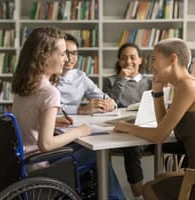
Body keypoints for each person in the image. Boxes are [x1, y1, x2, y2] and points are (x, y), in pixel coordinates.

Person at [113, 38, 195, 199]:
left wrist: (126, 126)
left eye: (154, 59)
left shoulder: (187, 87)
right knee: (160, 178)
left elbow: (159, 136)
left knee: (148, 189)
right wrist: (157, 91)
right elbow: (163, 126)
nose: (151, 65)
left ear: (172, 59)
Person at [11, 27, 125, 199]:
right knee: (98, 153)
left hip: (21, 159)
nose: (66, 59)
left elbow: (26, 119)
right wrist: (80, 131)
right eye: (63, 53)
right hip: (38, 164)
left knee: (83, 148)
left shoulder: (25, 85)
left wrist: (53, 122)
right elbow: (46, 145)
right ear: (45, 55)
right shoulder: (49, 92)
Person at [103, 42, 152, 200]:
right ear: (119, 61)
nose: (128, 62)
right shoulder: (110, 81)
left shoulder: (149, 82)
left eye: (132, 57)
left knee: (136, 147)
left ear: (140, 60)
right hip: (122, 129)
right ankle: (138, 196)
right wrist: (121, 80)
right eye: (124, 58)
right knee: (131, 148)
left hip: (146, 128)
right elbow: (109, 105)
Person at [57, 33, 116, 115]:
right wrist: (80, 109)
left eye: (74, 53)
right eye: (66, 53)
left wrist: (110, 104)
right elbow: (48, 107)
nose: (70, 58)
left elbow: (102, 97)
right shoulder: (46, 76)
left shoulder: (80, 76)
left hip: (74, 122)